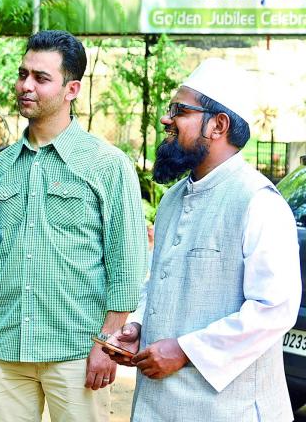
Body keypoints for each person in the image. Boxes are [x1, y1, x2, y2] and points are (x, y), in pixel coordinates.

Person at [0, 30, 147, 421]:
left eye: (41, 78)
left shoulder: (106, 164)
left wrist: (107, 343)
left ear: (71, 89)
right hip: (6, 349)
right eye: (23, 74)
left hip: (77, 351)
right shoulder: (2, 166)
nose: (25, 86)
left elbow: (127, 266)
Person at [105, 58, 300, 421]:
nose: (167, 119)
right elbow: (162, 284)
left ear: (218, 125)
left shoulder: (257, 202)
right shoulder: (173, 199)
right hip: (157, 405)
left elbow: (274, 309)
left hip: (229, 410)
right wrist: (139, 326)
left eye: (180, 110)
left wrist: (184, 351)